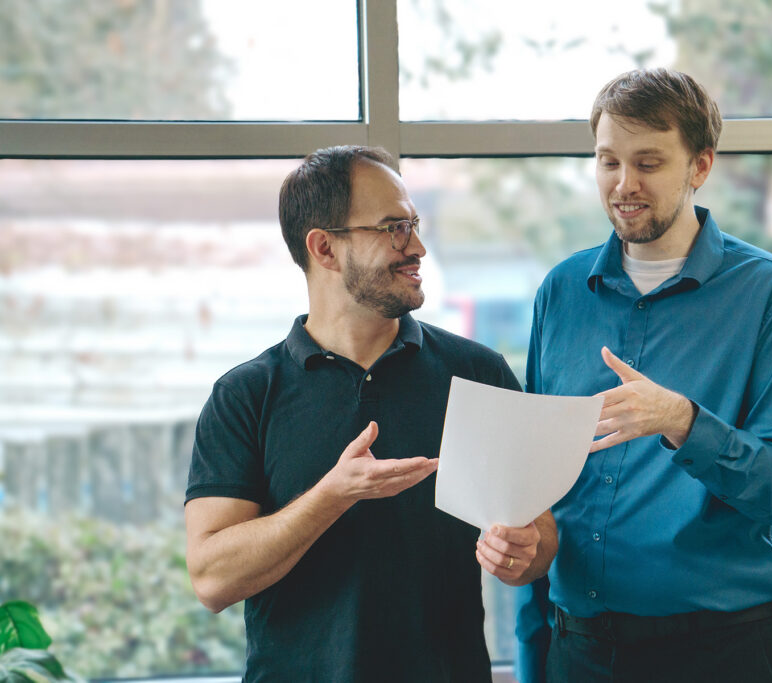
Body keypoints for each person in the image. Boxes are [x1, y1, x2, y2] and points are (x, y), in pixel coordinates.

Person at [184, 145, 557, 682]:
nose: (418, 246)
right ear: (325, 249)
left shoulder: (477, 373)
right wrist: (333, 495)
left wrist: (524, 551)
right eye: (393, 228)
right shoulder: (245, 395)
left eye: (414, 224)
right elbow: (213, 580)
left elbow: (540, 538)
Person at [515, 68, 772, 683]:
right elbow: (536, 479)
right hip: (580, 650)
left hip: (722, 653)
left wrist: (682, 422)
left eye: (649, 163)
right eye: (608, 162)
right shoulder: (561, 291)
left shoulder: (770, 296)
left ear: (700, 166)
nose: (624, 185)